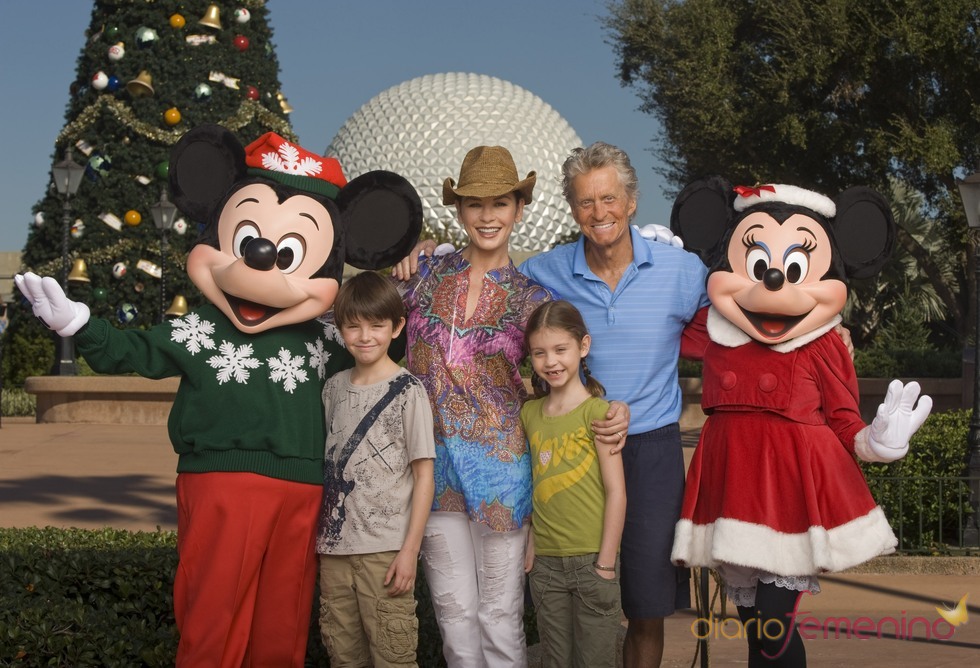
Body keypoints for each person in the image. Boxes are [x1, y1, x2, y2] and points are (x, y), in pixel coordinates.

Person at [390, 145, 629, 667]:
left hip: (504, 474)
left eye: (500, 203)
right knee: (453, 616)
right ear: (459, 211)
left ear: (519, 210)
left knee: (499, 616)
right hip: (432, 472)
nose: (487, 216)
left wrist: (611, 409)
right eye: (475, 205)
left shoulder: (531, 297)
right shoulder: (423, 276)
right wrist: (404, 255)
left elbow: (563, 372)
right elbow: (359, 318)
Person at [518, 142, 709, 668]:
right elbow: (486, 295)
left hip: (651, 451)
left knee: (647, 605)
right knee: (583, 595)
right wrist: (425, 255)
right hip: (577, 450)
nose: (598, 213)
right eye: (585, 202)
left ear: (630, 202)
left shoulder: (682, 270)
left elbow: (749, 314)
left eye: (608, 199)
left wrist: (829, 331)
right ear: (572, 209)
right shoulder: (542, 273)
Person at [316, 271, 435, 668]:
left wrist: (410, 551)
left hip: (385, 551)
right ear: (340, 327)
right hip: (333, 549)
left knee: (393, 657)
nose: (365, 336)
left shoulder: (409, 391)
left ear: (397, 326)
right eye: (353, 326)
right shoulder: (332, 388)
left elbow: (424, 477)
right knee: (343, 656)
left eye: (377, 325)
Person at [520, 300, 626, 668]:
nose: (550, 361)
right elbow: (531, 481)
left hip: (593, 562)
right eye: (539, 353)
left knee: (596, 660)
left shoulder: (599, 414)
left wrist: (606, 563)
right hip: (546, 567)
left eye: (560, 349)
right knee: (555, 661)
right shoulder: (529, 413)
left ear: (583, 347)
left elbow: (616, 493)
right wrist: (532, 538)